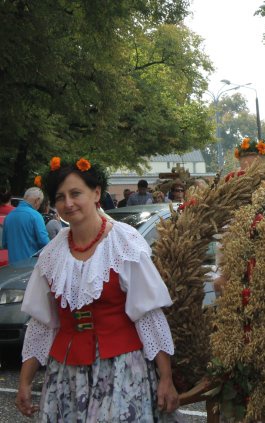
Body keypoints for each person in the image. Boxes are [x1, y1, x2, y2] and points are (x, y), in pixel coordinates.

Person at [15, 157, 181, 420]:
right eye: (60, 197)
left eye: (75, 193)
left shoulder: (124, 243)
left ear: (96, 193)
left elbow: (149, 315)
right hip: (67, 375)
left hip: (120, 370)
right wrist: (25, 381)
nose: (67, 203)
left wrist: (166, 378)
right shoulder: (51, 255)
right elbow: (42, 323)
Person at [2, 187, 50, 264]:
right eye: (40, 203)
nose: (38, 207)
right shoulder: (36, 216)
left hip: (12, 268)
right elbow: (45, 243)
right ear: (37, 200)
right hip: (30, 268)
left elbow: (5, 244)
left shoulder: (8, 217)